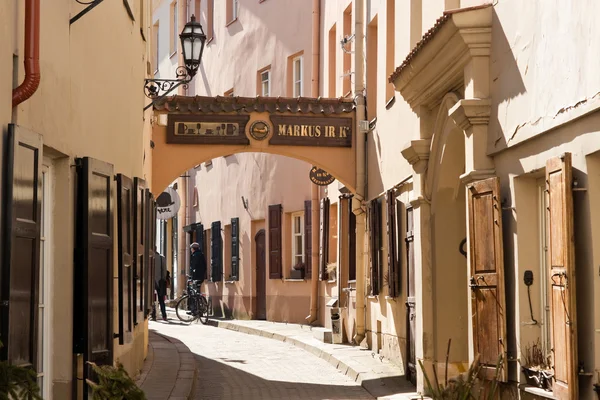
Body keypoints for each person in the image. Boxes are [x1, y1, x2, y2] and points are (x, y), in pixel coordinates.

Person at [154, 247, 168, 321]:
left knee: (151, 299)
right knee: (161, 300)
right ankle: (164, 315)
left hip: (151, 281)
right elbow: (164, 271)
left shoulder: (148, 257)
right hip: (160, 281)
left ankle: (153, 315)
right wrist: (163, 279)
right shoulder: (161, 258)